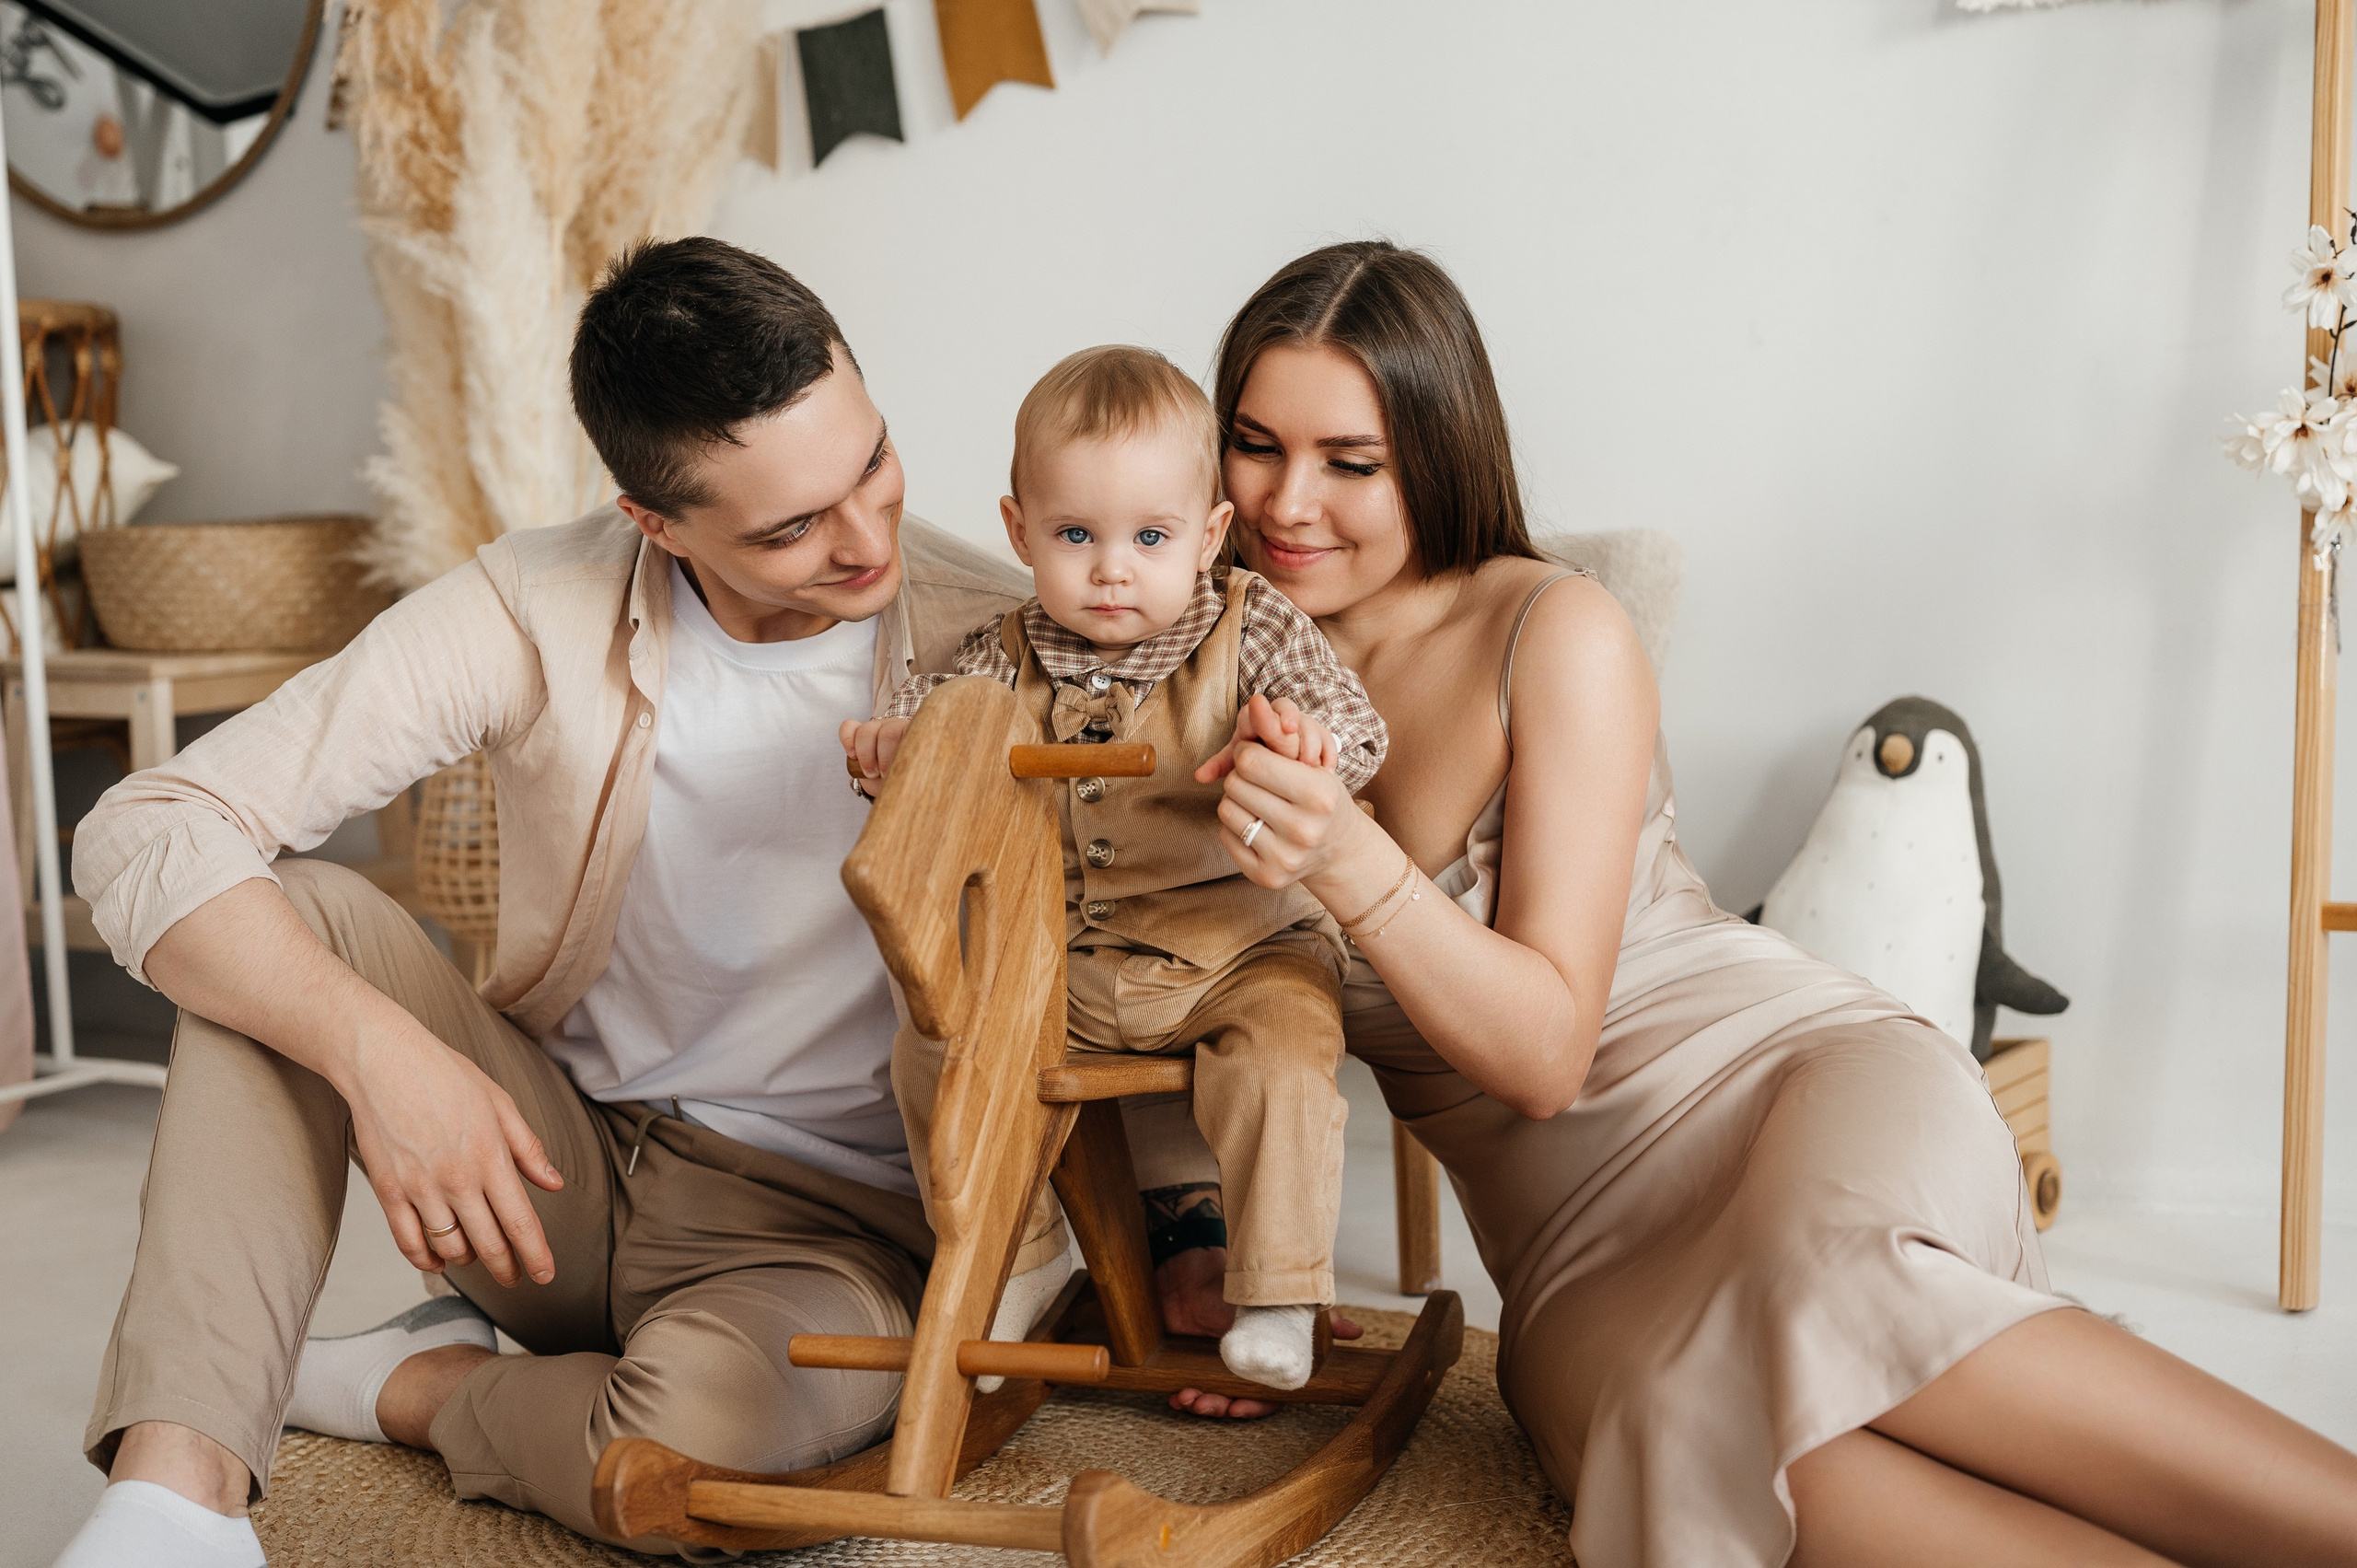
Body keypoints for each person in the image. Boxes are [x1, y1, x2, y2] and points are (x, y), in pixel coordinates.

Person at [1155, 240, 2357, 1568]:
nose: (1288, 502)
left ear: (1437, 455)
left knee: (1829, 1282)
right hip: (1573, 1252)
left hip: (1777, 1086)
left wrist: (1349, 859)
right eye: (1255, 446)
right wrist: (1204, 1237)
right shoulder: (1190, 662)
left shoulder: (1551, 631)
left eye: (1351, 462)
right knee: (1692, 1434)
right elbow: (1136, 967)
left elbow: (1547, 1053)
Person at [50, 238, 1030, 1567]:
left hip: (831, 1227)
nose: (867, 538)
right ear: (654, 522)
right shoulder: (538, 601)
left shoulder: (1004, 635)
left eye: (874, 463)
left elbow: (1143, 944)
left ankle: (413, 1383)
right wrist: (379, 1053)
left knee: (683, 1460)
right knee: (274, 917)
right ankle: (177, 1499)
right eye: (790, 527)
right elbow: (149, 825)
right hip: (553, 1165)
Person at [846, 344, 1387, 1391]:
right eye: (1074, 535)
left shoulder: (1251, 623)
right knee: (939, 1042)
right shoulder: (1000, 649)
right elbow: (934, 737)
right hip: (1072, 964)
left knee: (1284, 1056)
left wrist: (1306, 745)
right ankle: (1017, 1256)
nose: (1110, 568)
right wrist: (891, 752)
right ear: (1019, 532)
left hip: (1242, 948)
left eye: (1149, 537)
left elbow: (1355, 730)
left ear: (1209, 536)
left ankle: (1278, 1289)